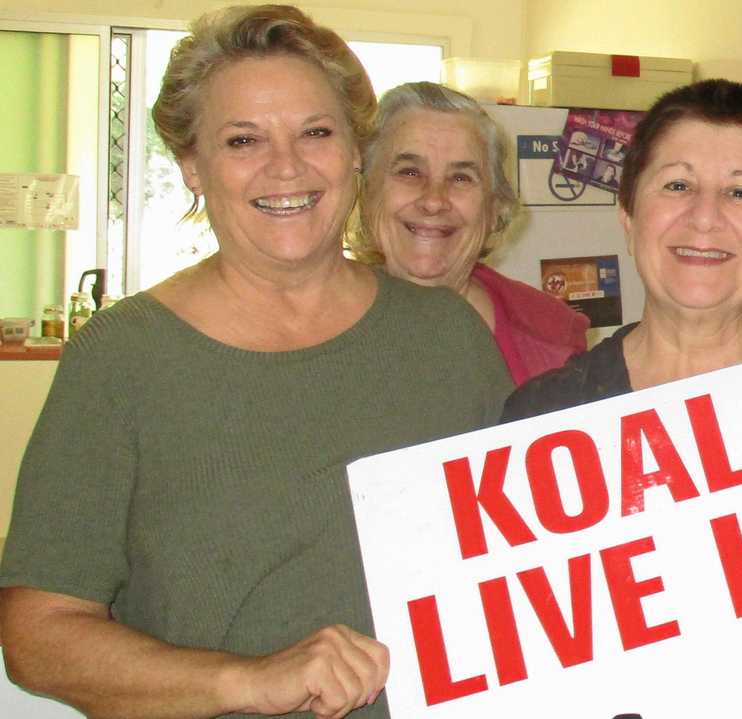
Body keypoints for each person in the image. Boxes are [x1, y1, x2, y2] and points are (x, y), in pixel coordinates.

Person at [0, 7, 511, 719]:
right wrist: (245, 680)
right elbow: (36, 635)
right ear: (191, 167)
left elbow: (523, 561)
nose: (287, 167)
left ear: (354, 151)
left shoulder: (446, 339)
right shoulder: (122, 360)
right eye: (244, 140)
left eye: (316, 133)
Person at [503, 80, 742, 422]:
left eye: (740, 192)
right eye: (678, 185)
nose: (704, 218)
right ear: (628, 215)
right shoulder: (542, 418)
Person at [350, 82, 588, 386]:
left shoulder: (553, 339)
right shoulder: (309, 330)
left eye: (461, 177)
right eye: (409, 172)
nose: (434, 200)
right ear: (368, 192)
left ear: (494, 209)